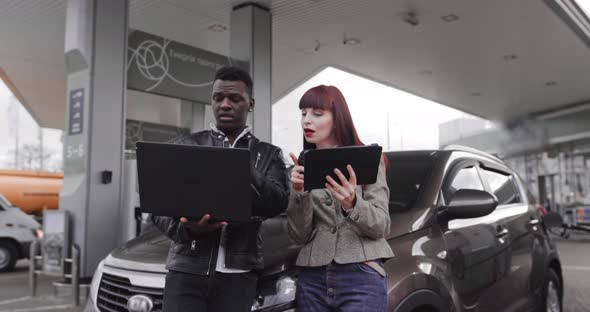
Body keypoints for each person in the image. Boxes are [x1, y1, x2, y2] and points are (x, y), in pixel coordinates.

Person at [151, 66, 289, 312]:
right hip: (186, 270)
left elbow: (278, 202)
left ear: (251, 104)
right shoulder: (186, 145)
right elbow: (156, 206)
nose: (225, 104)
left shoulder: (268, 154)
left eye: (235, 99)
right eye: (218, 98)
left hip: (239, 275)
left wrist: (243, 167)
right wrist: (186, 230)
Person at [286, 85, 393, 312]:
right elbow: (298, 235)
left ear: (337, 118)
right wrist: (300, 193)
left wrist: (352, 204)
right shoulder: (300, 167)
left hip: (361, 276)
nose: (307, 120)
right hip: (312, 278)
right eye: (303, 113)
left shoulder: (369, 159)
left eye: (317, 113)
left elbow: (381, 226)